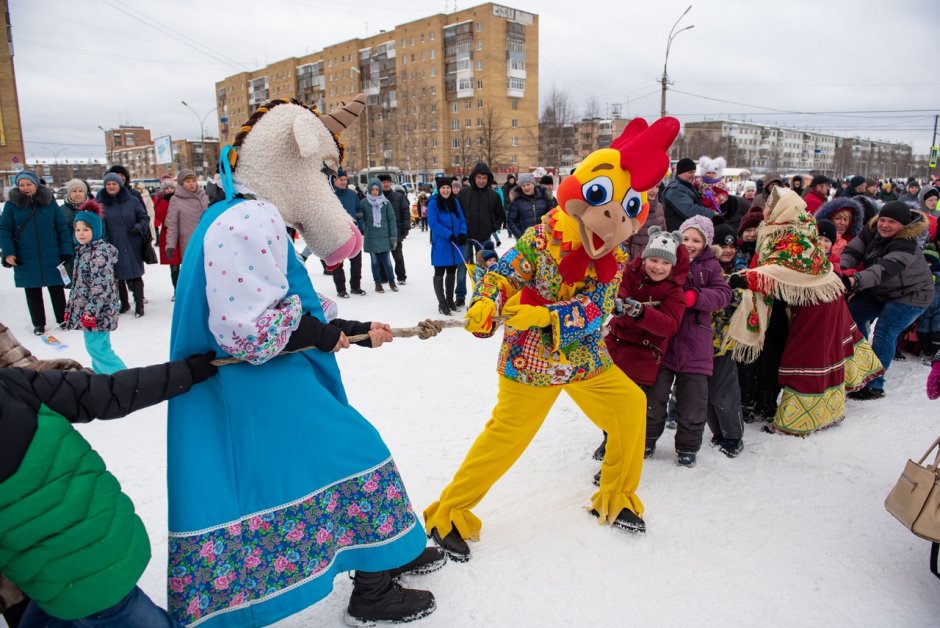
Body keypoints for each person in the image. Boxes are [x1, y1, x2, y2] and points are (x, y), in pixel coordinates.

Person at [167, 94, 441, 624]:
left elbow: (288, 305)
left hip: (271, 380)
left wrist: (351, 329)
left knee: (336, 463)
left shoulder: (243, 213)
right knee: (357, 453)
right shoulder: (247, 218)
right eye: (317, 169)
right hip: (258, 385)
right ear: (292, 159)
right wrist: (326, 334)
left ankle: (388, 553)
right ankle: (375, 587)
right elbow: (248, 330)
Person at [425, 117, 681, 555]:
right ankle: (449, 513)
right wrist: (486, 300)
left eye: (629, 208)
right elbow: (504, 272)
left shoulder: (615, 254)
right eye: (603, 199)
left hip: (582, 359)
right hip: (531, 362)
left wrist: (546, 316)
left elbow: (598, 307)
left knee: (630, 406)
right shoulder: (542, 238)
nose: (615, 219)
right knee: (505, 439)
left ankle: (616, 496)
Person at [0, 352, 218, 628]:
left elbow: (105, 392)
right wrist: (186, 371)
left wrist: (186, 371)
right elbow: (109, 391)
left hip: (77, 572)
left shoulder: (14, 384)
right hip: (94, 551)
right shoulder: (12, 385)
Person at [726, 188, 883, 434]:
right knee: (814, 356)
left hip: (816, 307)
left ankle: (797, 421)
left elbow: (786, 269)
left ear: (784, 209)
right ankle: (818, 410)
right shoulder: (790, 227)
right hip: (814, 301)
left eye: (771, 205)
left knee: (806, 361)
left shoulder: (795, 234)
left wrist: (747, 277)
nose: (766, 209)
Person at [645, 215, 732, 467]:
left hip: (696, 344)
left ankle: (687, 446)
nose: (690, 244)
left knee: (693, 402)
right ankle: (647, 438)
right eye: (686, 238)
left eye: (697, 240)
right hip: (663, 341)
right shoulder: (666, 257)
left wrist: (694, 297)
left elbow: (723, 294)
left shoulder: (711, 266)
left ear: (706, 243)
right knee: (654, 397)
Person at [601, 227, 688, 462]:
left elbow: (670, 325)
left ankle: (625, 448)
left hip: (643, 353)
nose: (658, 267)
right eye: (653, 259)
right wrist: (617, 300)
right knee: (608, 402)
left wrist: (641, 312)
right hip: (615, 345)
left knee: (632, 405)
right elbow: (620, 287)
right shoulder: (631, 273)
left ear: (673, 266)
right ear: (644, 258)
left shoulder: (674, 292)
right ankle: (609, 437)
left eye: (664, 263)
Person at [841, 201, 935, 399]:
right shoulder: (872, 230)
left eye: (891, 222)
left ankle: (874, 385)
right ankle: (860, 364)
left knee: (885, 330)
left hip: (912, 295)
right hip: (883, 291)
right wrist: (841, 270)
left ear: (903, 225)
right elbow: (853, 251)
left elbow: (881, 271)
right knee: (849, 315)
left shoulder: (907, 244)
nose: (884, 225)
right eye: (882, 219)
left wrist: (853, 280)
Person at [0, 171, 72, 335]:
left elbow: (61, 227)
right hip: (25, 255)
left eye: (28, 184)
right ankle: (39, 324)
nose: (25, 188)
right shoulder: (12, 205)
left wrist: (66, 250)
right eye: (21, 185)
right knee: (32, 291)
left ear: (36, 185)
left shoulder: (49, 202)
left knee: (56, 288)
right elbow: (5, 230)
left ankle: (63, 319)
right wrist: (8, 253)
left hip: (52, 253)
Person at [64, 200, 126, 375]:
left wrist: (91, 312)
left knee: (97, 349)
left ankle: (122, 379)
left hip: (98, 312)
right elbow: (80, 286)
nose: (81, 233)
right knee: (98, 348)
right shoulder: (83, 252)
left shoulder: (98, 254)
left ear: (96, 231)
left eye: (86, 229)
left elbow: (100, 288)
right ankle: (104, 378)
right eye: (78, 229)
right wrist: (72, 308)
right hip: (90, 313)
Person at [708, 223, 746, 456]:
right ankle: (718, 431)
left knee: (725, 390)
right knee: (707, 392)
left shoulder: (740, 271)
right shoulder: (706, 268)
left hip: (725, 341)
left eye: (732, 245)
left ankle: (733, 435)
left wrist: (737, 289)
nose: (729, 250)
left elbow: (744, 302)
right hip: (702, 339)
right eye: (723, 245)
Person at [99, 172, 149, 317]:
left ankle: (139, 305)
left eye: (114, 184)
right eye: (108, 184)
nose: (111, 186)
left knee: (135, 275)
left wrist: (139, 227)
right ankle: (124, 303)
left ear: (120, 185)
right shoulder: (101, 203)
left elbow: (144, 218)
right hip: (112, 244)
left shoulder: (132, 200)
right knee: (117, 276)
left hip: (132, 242)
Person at [455, 162, 504, 307]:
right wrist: (460, 232)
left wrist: (492, 227)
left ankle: (482, 295)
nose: (481, 180)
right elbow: (457, 214)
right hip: (465, 238)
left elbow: (500, 215)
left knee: (484, 268)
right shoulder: (464, 194)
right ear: (474, 178)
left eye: (484, 178)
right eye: (479, 177)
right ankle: (460, 296)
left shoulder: (494, 196)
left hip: (483, 238)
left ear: (488, 179)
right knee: (463, 267)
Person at [427, 177, 467, 315]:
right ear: (439, 189)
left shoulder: (455, 202)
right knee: (439, 272)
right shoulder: (433, 203)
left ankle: (450, 300)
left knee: (452, 272)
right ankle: (442, 303)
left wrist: (462, 233)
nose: (446, 190)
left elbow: (462, 219)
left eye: (448, 188)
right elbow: (433, 223)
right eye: (443, 188)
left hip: (455, 243)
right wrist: (448, 234)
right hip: (442, 244)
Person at [330, 168, 366, 297]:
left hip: (353, 233)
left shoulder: (352, 194)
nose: (344, 182)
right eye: (341, 179)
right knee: (338, 263)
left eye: (345, 179)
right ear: (335, 180)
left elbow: (359, 211)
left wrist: (360, 226)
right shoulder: (330, 195)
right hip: (336, 234)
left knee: (356, 261)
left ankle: (356, 286)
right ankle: (341, 289)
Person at [164, 169, 209, 267]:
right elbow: (172, 225)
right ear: (181, 183)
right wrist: (170, 245)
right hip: (189, 243)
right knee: (193, 271)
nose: (191, 184)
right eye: (187, 181)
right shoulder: (175, 199)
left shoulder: (204, 196)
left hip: (207, 240)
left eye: (193, 181)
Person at [360, 178, 398, 292]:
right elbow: (362, 218)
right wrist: (364, 226)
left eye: (377, 189)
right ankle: (378, 283)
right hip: (371, 238)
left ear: (380, 190)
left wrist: (393, 237)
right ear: (369, 190)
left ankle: (392, 282)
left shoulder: (385, 202)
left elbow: (391, 220)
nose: (374, 191)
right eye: (372, 189)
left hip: (384, 237)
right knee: (375, 262)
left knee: (387, 262)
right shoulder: (364, 202)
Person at [662, 157, 712, 230]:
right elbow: (690, 210)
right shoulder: (675, 189)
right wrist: (712, 213)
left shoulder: (686, 186)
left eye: (694, 172)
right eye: (690, 172)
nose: (693, 175)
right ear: (681, 172)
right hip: (679, 233)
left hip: (687, 230)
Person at [152, 178, 182, 297]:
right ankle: (177, 291)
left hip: (182, 235)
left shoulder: (181, 200)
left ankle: (185, 290)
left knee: (186, 264)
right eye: (166, 188)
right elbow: (159, 216)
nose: (169, 190)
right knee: (174, 266)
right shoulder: (161, 202)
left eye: (171, 188)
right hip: (169, 236)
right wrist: (165, 202)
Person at [379, 174, 410, 285]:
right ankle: (383, 277)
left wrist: (406, 227)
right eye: (383, 182)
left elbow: (405, 213)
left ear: (391, 183)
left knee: (398, 256)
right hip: (381, 232)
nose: (386, 184)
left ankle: (401, 277)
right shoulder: (376, 198)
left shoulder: (399, 197)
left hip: (395, 231)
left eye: (388, 182)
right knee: (382, 256)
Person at [815, 197, 864, 265]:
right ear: (829, 219)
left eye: (845, 219)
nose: (842, 223)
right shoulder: (817, 235)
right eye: (837, 218)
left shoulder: (854, 241)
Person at [505, 172, 555, 239]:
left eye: (528, 184)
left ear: (533, 184)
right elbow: (510, 221)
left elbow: (552, 216)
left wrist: (548, 232)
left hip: (544, 238)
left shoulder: (544, 197)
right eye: (523, 186)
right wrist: (521, 236)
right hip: (525, 240)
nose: (526, 187)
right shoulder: (517, 200)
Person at [59, 179, 91, 281]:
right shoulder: (61, 210)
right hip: (69, 254)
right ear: (69, 193)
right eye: (74, 191)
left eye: (80, 191)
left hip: (90, 253)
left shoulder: (93, 209)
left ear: (85, 193)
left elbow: (102, 231)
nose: (77, 194)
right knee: (72, 284)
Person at [625, 182, 667, 260]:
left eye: (657, 186)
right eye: (650, 186)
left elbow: (664, 234)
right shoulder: (632, 208)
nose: (654, 190)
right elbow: (625, 242)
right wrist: (627, 265)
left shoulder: (659, 207)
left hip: (656, 261)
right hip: (636, 263)